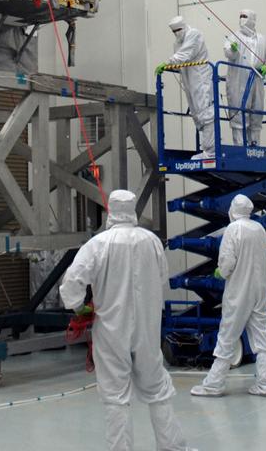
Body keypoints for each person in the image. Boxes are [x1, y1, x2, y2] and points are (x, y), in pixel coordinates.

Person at [59, 190, 196, 451]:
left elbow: (71, 283)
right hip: (147, 328)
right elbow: (161, 278)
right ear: (133, 209)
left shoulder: (98, 245)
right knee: (157, 388)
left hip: (111, 331)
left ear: (110, 209)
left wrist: (79, 308)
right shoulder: (151, 241)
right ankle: (172, 447)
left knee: (115, 397)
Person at [191, 194, 266, 397]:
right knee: (261, 337)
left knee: (227, 336)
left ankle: (213, 384)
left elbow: (228, 261)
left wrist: (221, 271)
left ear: (233, 209)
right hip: (259, 289)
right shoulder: (259, 228)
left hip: (239, 291)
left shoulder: (233, 229)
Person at [156, 16, 215, 159]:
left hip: (201, 78)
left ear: (184, 26)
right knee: (197, 113)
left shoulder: (194, 34)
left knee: (205, 111)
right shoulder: (177, 42)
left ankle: (211, 151)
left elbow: (184, 55)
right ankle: (205, 148)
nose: (176, 33)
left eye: (178, 30)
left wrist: (167, 63)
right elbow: (180, 56)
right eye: (174, 31)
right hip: (189, 80)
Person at [223, 10, 266, 146]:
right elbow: (228, 53)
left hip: (257, 80)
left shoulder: (263, 40)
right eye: (240, 16)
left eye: (245, 17)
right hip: (238, 81)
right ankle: (240, 147)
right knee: (238, 113)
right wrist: (233, 50)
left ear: (253, 19)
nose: (242, 19)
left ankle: (255, 146)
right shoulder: (234, 36)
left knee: (256, 112)